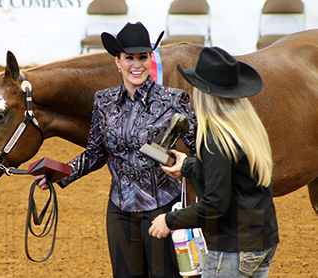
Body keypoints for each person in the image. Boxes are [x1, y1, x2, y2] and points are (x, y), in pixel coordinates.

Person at [36, 22, 197, 277]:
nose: (136, 64)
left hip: (162, 209)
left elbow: (201, 149)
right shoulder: (104, 101)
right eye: (129, 58)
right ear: (117, 61)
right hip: (119, 211)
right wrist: (61, 173)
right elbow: (95, 153)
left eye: (142, 57)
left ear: (150, 59)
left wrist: (186, 165)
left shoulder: (174, 100)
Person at [149, 47, 279, 278]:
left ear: (204, 93)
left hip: (233, 247)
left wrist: (169, 220)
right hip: (262, 239)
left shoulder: (215, 138)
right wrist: (188, 166)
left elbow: (214, 205)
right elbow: (235, 174)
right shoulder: (247, 128)